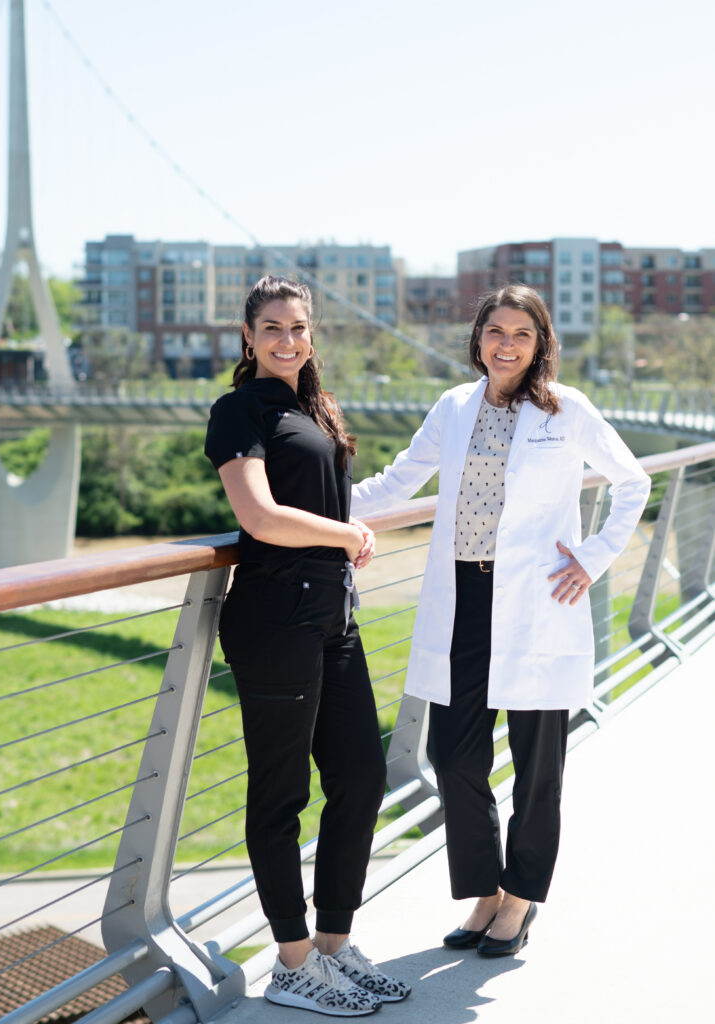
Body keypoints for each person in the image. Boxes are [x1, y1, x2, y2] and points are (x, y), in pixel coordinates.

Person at [351, 284, 650, 957]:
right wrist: (322, 508)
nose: (505, 344)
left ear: (540, 341)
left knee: (536, 766)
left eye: (520, 333)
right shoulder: (453, 407)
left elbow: (631, 482)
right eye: (494, 331)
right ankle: (483, 892)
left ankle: (518, 901)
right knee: (452, 756)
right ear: (477, 338)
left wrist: (594, 558)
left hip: (540, 604)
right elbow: (398, 480)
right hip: (462, 600)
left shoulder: (565, 410)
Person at [205, 275, 410, 1015]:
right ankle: (291, 963)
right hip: (273, 619)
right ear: (248, 337)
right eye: (271, 328)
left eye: (297, 327)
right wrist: (348, 533)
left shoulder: (313, 408)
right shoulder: (238, 410)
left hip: (332, 616)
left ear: (310, 334)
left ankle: (332, 945)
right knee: (282, 791)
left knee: (359, 776)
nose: (286, 340)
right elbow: (258, 516)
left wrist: (345, 534)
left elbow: (322, 499)